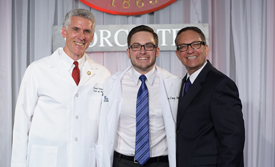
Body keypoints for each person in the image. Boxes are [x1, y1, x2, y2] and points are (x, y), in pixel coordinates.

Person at [11, 9, 110, 167]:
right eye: (75, 29)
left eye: (86, 31)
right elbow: (22, 124)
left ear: (92, 37)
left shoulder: (103, 75)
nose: (81, 36)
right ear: (64, 32)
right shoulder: (37, 70)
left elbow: (106, 127)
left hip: (85, 160)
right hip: (45, 160)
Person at [96, 25, 181, 167]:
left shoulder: (174, 83)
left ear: (157, 51)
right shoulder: (112, 83)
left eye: (148, 46)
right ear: (128, 52)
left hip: (160, 163)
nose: (142, 51)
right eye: (136, 46)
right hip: (122, 162)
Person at [174, 26, 245, 167]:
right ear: (178, 54)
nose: (189, 50)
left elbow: (233, 140)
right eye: (183, 46)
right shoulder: (182, 83)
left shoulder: (220, 84)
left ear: (206, 49)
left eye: (195, 44)